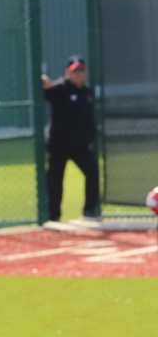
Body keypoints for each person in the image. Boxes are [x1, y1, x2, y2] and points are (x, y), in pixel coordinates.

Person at [41, 55, 100, 223]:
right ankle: (53, 216)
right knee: (55, 181)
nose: (78, 74)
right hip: (58, 145)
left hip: (80, 146)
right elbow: (46, 93)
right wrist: (44, 83)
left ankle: (89, 211)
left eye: (81, 70)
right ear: (68, 72)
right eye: (75, 71)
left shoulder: (87, 92)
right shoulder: (59, 89)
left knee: (93, 173)